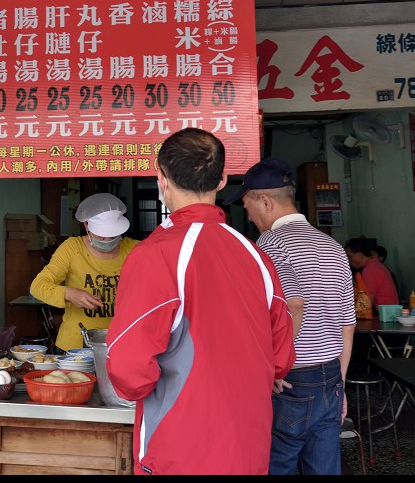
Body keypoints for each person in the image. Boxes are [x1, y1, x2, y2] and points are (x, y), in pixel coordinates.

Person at [106, 128, 295, 475]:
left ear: (160, 177)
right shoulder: (256, 255)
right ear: (222, 179)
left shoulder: (156, 254)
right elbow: (281, 358)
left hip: (180, 450)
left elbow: (129, 371)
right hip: (249, 449)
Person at [225, 156, 356, 475]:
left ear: (265, 201)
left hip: (293, 380)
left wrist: (274, 363)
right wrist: (340, 384)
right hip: (330, 377)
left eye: (247, 204)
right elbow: (347, 324)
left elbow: (293, 303)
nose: (248, 212)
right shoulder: (332, 246)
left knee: (275, 464)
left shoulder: (270, 243)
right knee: (323, 468)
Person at [29, 192, 140, 352]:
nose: (107, 241)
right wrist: (69, 293)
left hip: (123, 342)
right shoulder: (72, 248)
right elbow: (38, 286)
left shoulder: (135, 249)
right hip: (76, 345)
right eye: (102, 236)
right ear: (86, 225)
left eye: (113, 235)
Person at [344, 236, 398, 310]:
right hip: (389, 312)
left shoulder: (369, 270)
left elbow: (366, 303)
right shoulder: (375, 265)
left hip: (384, 314)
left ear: (359, 254)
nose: (348, 261)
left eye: (349, 257)